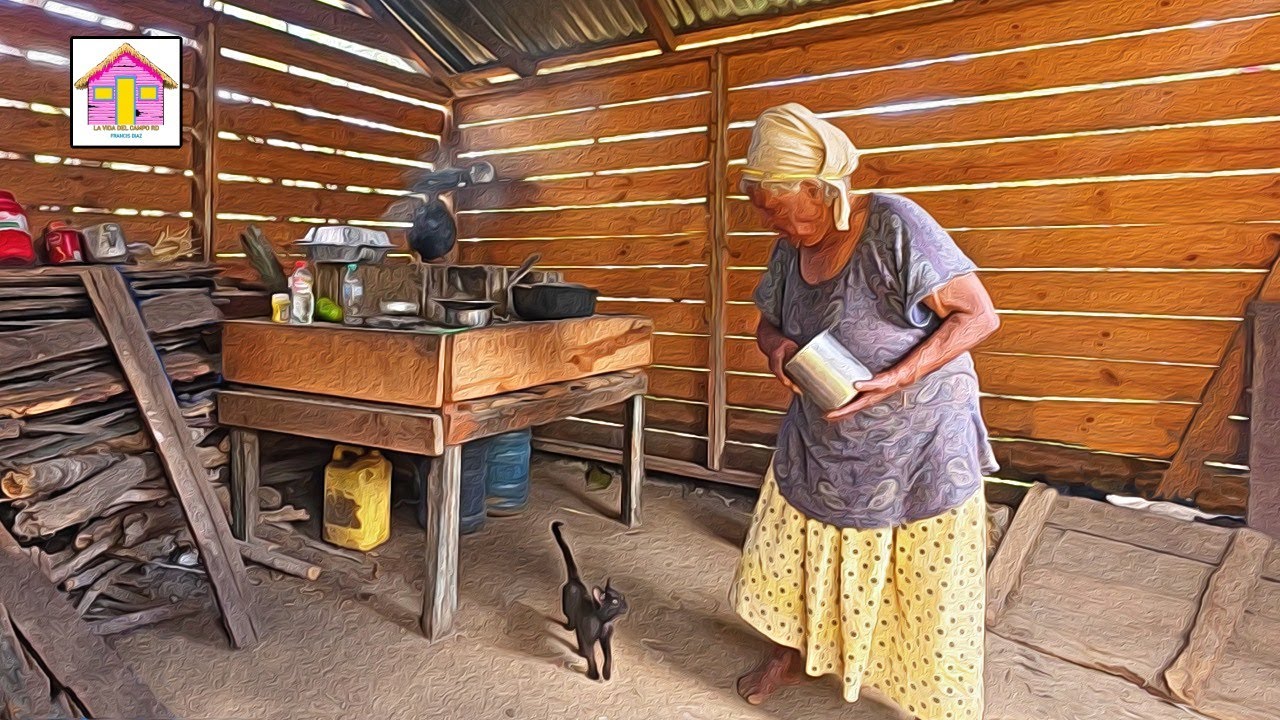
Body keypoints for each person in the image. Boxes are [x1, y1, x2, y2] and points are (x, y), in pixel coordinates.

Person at [729, 103, 1001, 720]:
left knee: (924, 580)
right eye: (762, 210)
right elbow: (768, 322)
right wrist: (778, 349)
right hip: (824, 440)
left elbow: (979, 315)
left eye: (778, 208)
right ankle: (793, 654)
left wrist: (896, 377)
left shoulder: (895, 225)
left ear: (822, 190)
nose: (772, 223)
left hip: (916, 442)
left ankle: (930, 698)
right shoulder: (788, 245)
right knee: (799, 548)